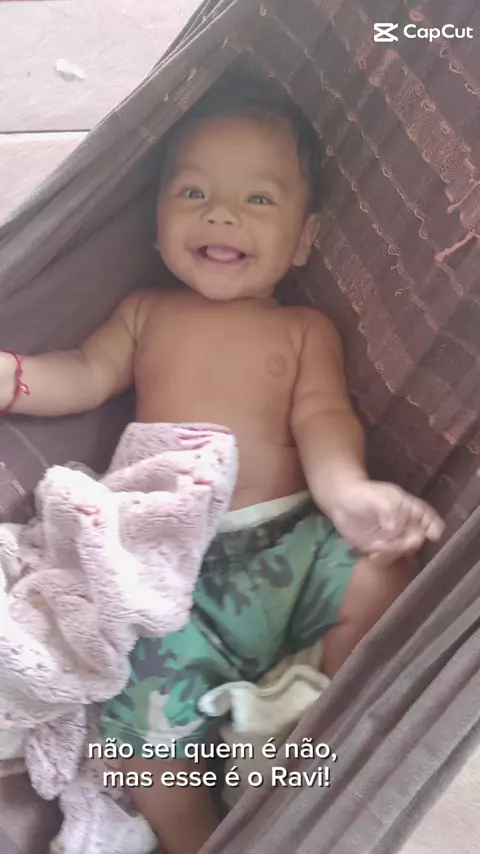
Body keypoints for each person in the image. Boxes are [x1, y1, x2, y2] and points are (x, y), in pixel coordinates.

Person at [0, 76, 444, 854]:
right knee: (139, 742)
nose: (221, 214)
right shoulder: (146, 312)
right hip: (172, 577)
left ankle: (304, 719)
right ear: (159, 221)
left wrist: (348, 495)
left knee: (383, 573)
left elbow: (323, 420)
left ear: (304, 239)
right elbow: (85, 374)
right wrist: (14, 380)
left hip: (286, 544)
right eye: (194, 192)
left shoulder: (304, 329)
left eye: (258, 199)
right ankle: (207, 838)